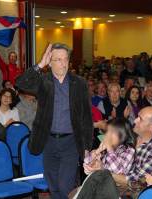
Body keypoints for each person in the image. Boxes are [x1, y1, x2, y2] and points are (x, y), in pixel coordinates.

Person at [16, 43, 93, 199]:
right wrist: (40, 65)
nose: (63, 63)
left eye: (65, 59)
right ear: (50, 62)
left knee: (65, 187)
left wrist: (87, 147)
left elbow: (86, 117)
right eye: (58, 59)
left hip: (71, 142)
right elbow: (21, 83)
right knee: (53, 187)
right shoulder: (44, 81)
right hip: (48, 140)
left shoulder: (79, 83)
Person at [112, 107, 152, 185]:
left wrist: (105, 173)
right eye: (137, 116)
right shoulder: (131, 134)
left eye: (140, 119)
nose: (135, 120)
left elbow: (136, 181)